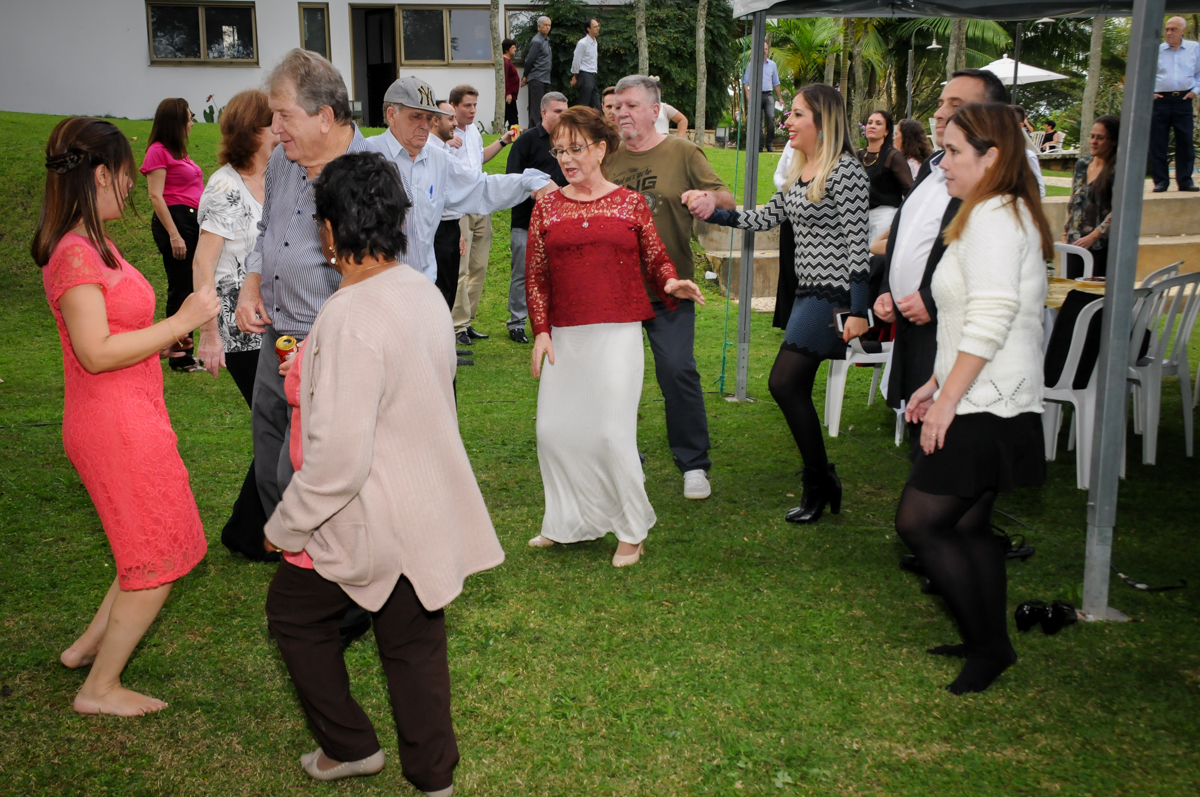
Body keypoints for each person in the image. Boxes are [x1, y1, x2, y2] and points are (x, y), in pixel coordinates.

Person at [263, 151, 503, 795]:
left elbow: (338, 460)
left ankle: (349, 746)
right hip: (423, 509)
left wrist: (286, 525)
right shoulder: (419, 289)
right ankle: (433, 781)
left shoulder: (351, 315)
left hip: (370, 517)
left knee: (293, 615)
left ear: (330, 230)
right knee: (413, 646)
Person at [33, 116, 218, 715]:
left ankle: (86, 649)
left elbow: (114, 332)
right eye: (124, 176)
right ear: (100, 174)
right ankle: (100, 689)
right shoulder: (74, 255)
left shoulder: (96, 245)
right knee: (156, 555)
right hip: (112, 424)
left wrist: (161, 340)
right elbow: (94, 352)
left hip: (132, 412)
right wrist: (181, 322)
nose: (134, 187)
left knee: (148, 541)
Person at [896, 102, 1052, 695]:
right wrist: (936, 381)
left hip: (985, 404)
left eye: (955, 151)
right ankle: (990, 643)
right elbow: (968, 318)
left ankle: (987, 645)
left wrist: (946, 401)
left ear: (992, 157)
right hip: (983, 394)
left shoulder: (993, 216)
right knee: (967, 529)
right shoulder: (988, 210)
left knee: (922, 523)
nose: (944, 162)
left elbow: (991, 317)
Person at [235, 49, 377, 648]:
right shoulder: (286, 162)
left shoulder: (371, 171)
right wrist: (249, 286)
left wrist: (334, 341)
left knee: (322, 470)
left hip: (335, 344)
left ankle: (344, 597)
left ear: (325, 115)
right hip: (278, 336)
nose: (274, 130)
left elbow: (392, 271)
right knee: (273, 460)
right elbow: (267, 233)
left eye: (284, 115)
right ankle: (303, 569)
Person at [525, 107, 705, 566]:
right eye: (559, 150)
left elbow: (656, 257)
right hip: (566, 335)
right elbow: (536, 277)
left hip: (617, 333)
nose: (566, 158)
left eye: (576, 149)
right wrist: (541, 333)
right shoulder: (546, 204)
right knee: (553, 432)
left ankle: (632, 528)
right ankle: (569, 522)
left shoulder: (629, 202)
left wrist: (670, 282)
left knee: (609, 434)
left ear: (601, 149)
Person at [688, 84, 870, 523]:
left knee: (784, 384)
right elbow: (766, 218)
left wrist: (860, 310)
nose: (787, 121)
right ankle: (821, 479)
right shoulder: (800, 171)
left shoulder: (846, 173)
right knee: (792, 387)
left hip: (833, 296)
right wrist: (713, 212)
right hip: (806, 292)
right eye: (789, 114)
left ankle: (819, 479)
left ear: (823, 122)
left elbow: (858, 248)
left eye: (797, 114)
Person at [606, 74, 735, 500]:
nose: (622, 112)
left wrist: (708, 201)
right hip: (615, 293)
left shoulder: (681, 152)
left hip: (670, 288)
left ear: (654, 110)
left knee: (677, 371)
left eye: (631, 105)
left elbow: (726, 197)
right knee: (614, 380)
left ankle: (694, 464)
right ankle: (624, 460)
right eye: (617, 106)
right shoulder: (606, 158)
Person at [873, 68, 1009, 435]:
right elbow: (906, 232)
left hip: (951, 330)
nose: (939, 111)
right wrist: (888, 287)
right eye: (941, 102)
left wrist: (930, 299)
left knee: (949, 453)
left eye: (956, 103)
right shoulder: (935, 166)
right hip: (913, 323)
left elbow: (987, 268)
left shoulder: (997, 183)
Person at [193, 88, 280, 561]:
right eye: (276, 121)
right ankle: (248, 532)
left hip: (274, 320)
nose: (284, 128)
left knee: (281, 424)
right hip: (237, 328)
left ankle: (250, 530)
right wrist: (208, 333)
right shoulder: (225, 187)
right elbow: (203, 264)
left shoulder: (281, 175)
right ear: (254, 129)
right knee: (277, 424)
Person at [448, 85, 518, 347]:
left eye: (475, 105)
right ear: (454, 106)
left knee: (479, 266)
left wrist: (502, 141)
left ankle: (467, 321)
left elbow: (479, 160)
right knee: (461, 268)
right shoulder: (445, 133)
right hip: (459, 208)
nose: (473, 110)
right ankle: (455, 326)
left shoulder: (473, 132)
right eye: (467, 105)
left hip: (481, 205)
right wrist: (444, 142)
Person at [142, 97, 205, 371]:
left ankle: (186, 352)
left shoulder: (180, 153)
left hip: (190, 221)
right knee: (181, 288)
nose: (191, 123)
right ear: (175, 122)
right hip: (176, 220)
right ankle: (179, 357)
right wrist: (174, 234)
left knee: (191, 286)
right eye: (188, 118)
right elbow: (156, 196)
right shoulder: (158, 151)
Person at [505, 91, 568, 344]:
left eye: (566, 111)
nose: (563, 116)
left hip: (560, 222)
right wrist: (536, 193)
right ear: (543, 112)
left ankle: (551, 321)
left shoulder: (568, 142)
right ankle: (517, 323)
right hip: (526, 220)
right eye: (558, 112)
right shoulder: (527, 141)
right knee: (522, 272)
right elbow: (512, 177)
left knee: (556, 273)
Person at [1063, 115, 1120, 278]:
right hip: (1075, 242)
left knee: (1092, 295)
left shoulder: (1117, 169)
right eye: (1092, 136)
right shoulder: (1082, 164)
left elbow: (1119, 209)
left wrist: (1094, 236)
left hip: (1099, 246)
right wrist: (1065, 234)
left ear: (1113, 141)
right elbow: (1073, 201)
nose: (1094, 141)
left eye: (1100, 138)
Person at [1153, 16, 1200, 192]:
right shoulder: (1157, 50)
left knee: (1185, 140)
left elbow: (1199, 74)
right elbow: (1145, 73)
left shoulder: (1194, 48)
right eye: (1167, 29)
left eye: (1173, 29)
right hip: (1161, 101)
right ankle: (1161, 181)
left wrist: (1194, 91)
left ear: (1183, 31)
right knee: (1158, 142)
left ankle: (1185, 181)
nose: (1169, 33)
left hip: (1183, 100)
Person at [859, 110, 913, 242]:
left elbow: (909, 189)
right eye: (870, 123)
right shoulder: (859, 156)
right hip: (861, 216)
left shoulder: (893, 157)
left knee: (876, 258)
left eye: (878, 123)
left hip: (885, 215)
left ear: (886, 131)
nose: (872, 126)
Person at [743, 41, 783, 152]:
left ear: (768, 50)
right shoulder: (752, 65)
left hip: (769, 95)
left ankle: (769, 144)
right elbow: (746, 82)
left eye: (765, 49)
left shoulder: (772, 65)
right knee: (758, 121)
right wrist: (748, 95)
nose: (764, 51)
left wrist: (780, 98)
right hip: (756, 95)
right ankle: (760, 146)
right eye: (762, 49)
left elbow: (776, 82)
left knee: (770, 118)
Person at [522, 16, 553, 125]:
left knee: (546, 106)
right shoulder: (537, 41)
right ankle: (533, 132)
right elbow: (529, 60)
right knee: (536, 108)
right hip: (537, 78)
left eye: (549, 25)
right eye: (545, 25)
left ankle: (543, 129)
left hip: (545, 78)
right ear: (539, 26)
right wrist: (525, 75)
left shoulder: (546, 40)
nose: (547, 27)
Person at [570, 17, 601, 110]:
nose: (598, 28)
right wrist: (575, 76)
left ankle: (599, 124)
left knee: (597, 107)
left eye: (598, 26)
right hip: (584, 75)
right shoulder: (582, 43)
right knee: (583, 105)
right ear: (589, 29)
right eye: (595, 27)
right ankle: (579, 124)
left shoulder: (595, 42)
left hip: (592, 75)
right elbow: (576, 60)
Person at [501, 38, 521, 128]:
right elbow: (505, 78)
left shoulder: (508, 61)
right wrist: (508, 93)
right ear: (506, 49)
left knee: (510, 115)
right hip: (509, 96)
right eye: (513, 47)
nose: (515, 49)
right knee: (513, 117)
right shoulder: (505, 62)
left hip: (512, 95)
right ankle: (515, 136)